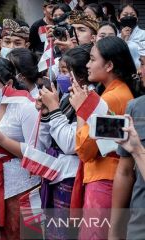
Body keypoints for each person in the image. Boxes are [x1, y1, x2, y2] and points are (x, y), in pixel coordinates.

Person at [70, 36, 136, 239]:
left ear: (109, 65)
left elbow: (84, 150)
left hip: (105, 182)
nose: (87, 65)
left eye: (92, 59)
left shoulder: (111, 98)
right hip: (109, 178)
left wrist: (82, 110)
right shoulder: (119, 93)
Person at [0, 58, 40, 239]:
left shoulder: (26, 107)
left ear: (9, 83)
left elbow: (35, 153)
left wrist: (2, 139)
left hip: (22, 185)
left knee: (22, 232)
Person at [36, 45, 93, 239]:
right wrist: (46, 113)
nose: (59, 76)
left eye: (63, 71)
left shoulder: (88, 97)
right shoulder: (67, 96)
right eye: (59, 71)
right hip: (56, 171)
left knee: (65, 232)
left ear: (81, 75)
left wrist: (53, 109)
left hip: (71, 175)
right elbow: (44, 140)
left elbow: (71, 143)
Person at [110, 44, 145, 240]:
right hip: (139, 225)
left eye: (144, 64)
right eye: (141, 63)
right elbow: (124, 172)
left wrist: (138, 150)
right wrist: (114, 230)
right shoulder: (135, 107)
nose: (140, 71)